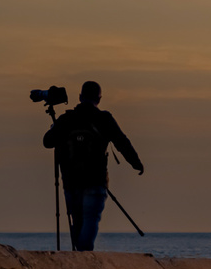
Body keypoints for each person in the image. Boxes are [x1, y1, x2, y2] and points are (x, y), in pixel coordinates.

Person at [41, 81, 142, 251]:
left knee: (77, 221)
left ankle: (80, 255)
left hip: (71, 181)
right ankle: (84, 254)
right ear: (99, 99)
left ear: (80, 97)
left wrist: (55, 128)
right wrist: (136, 163)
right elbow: (122, 142)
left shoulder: (67, 118)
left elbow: (47, 142)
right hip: (96, 180)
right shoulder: (104, 119)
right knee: (90, 219)